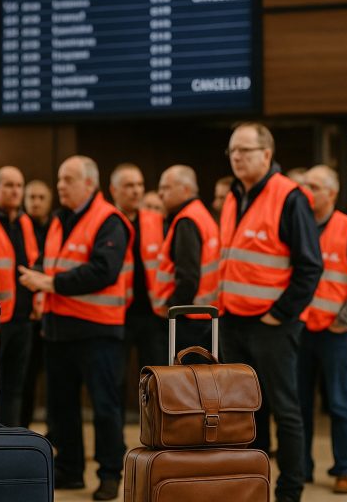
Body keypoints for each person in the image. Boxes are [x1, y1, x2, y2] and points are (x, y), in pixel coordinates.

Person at [218, 122, 323, 502]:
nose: (236, 157)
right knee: (245, 412)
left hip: (272, 325)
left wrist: (279, 314)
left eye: (244, 150)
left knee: (285, 410)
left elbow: (310, 266)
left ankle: (289, 491)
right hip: (233, 321)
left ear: (267, 154)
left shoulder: (289, 197)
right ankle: (252, 486)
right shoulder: (234, 196)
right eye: (232, 150)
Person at [19, 155, 133, 501]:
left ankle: (110, 474)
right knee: (61, 407)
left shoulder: (109, 220)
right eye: (59, 179)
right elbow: (49, 263)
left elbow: (104, 270)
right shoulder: (59, 219)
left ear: (90, 183)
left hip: (97, 330)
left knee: (105, 407)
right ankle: (70, 470)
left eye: (68, 179)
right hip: (59, 329)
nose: (61, 186)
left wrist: (51, 283)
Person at [298, 165, 347, 494]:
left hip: (335, 333)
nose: (307, 191)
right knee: (299, 405)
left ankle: (345, 469)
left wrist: (344, 319)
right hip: (300, 331)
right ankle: (302, 469)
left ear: (331, 193)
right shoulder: (299, 223)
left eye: (314, 186)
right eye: (305, 185)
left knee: (340, 403)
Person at [0, 166, 39, 426]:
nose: (15, 191)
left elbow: (32, 262)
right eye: (9, 185)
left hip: (22, 317)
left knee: (14, 387)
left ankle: (8, 440)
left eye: (19, 186)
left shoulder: (24, 221)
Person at [109, 163, 164, 419]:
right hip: (117, 313)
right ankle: (116, 437)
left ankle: (156, 434)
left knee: (155, 382)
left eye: (140, 185)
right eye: (129, 185)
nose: (136, 190)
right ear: (114, 190)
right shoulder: (106, 221)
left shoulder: (156, 221)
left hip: (152, 313)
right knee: (115, 380)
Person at [151, 165, 220, 359]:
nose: (160, 193)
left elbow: (188, 277)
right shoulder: (201, 214)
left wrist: (172, 308)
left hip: (189, 318)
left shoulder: (187, 220)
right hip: (204, 315)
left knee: (187, 377)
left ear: (186, 189)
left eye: (166, 187)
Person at [20, 179, 53, 427]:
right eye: (32, 197)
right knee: (24, 377)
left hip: (51, 314)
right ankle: (22, 426)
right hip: (24, 315)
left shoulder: (56, 228)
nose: (36, 202)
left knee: (53, 377)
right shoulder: (19, 227)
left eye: (41, 197)